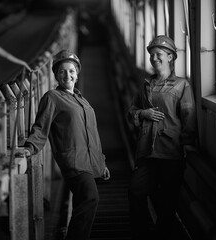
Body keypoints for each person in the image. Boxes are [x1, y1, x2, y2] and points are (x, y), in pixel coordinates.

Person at [21, 49, 110, 240]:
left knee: (82, 202)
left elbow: (93, 134)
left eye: (71, 71)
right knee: (90, 197)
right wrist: (29, 148)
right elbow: (40, 127)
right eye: (62, 71)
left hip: (90, 162)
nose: (67, 75)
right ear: (56, 75)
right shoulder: (52, 97)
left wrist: (101, 163)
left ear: (77, 75)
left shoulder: (82, 101)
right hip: (73, 162)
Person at [127, 35, 197, 240]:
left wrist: (186, 145)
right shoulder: (145, 84)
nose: (154, 58)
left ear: (170, 57)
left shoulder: (182, 85)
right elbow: (131, 111)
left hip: (170, 152)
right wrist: (142, 114)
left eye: (158, 54)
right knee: (135, 191)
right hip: (147, 151)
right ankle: (140, 234)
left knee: (167, 203)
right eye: (151, 55)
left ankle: (160, 236)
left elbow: (189, 117)